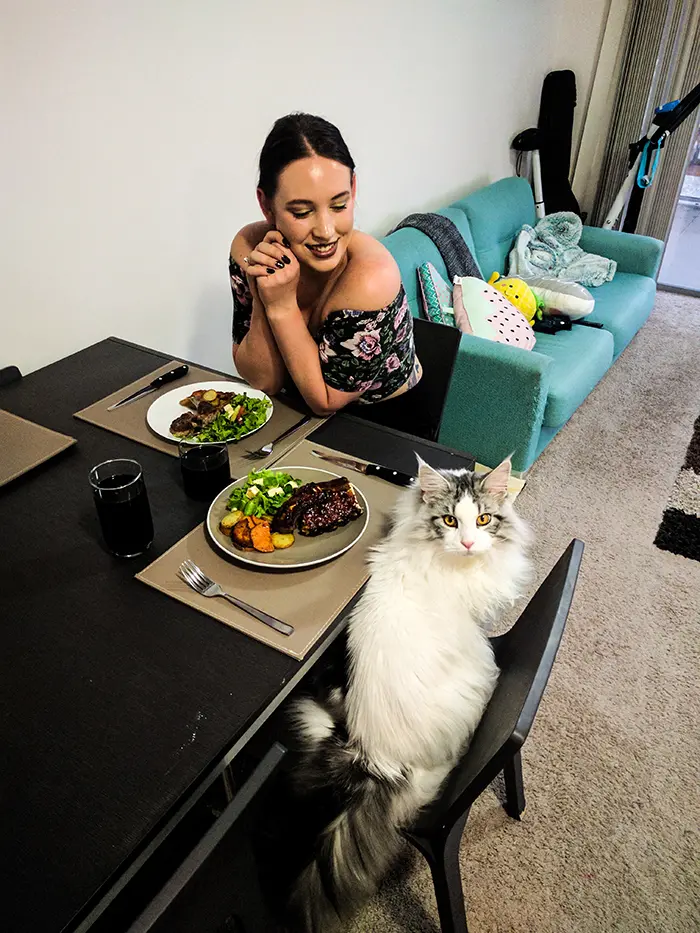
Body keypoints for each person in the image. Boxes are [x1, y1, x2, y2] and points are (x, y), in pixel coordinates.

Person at [230, 113, 421, 417]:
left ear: (353, 188)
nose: (326, 231)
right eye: (302, 212)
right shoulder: (251, 249)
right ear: (266, 205)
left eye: (339, 205)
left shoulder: (372, 277)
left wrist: (280, 305)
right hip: (290, 410)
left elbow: (325, 403)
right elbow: (263, 381)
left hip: (382, 422)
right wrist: (261, 296)